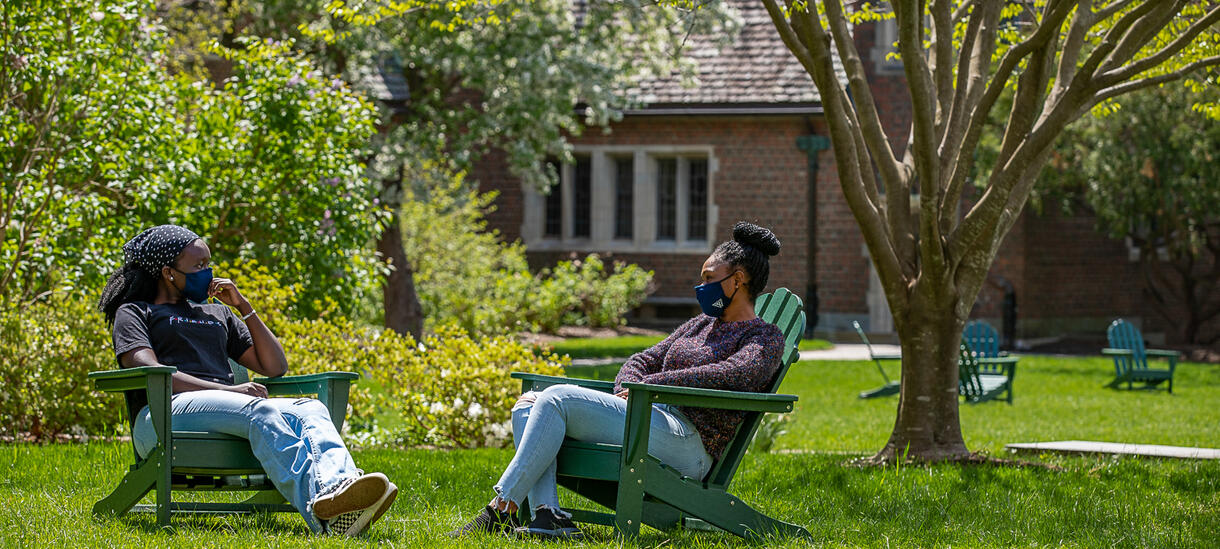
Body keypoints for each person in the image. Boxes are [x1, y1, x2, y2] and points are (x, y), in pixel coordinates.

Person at [450, 221, 786, 540]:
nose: (701, 287)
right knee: (529, 403)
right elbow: (642, 360)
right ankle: (548, 514)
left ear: (738, 280)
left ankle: (501, 508)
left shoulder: (764, 337)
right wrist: (630, 387)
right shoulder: (700, 324)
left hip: (690, 443)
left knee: (555, 399)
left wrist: (655, 384)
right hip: (651, 417)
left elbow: (735, 374)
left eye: (709, 278)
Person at [98, 225, 396, 536]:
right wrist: (230, 390)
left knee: (311, 409)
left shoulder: (217, 314)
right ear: (168, 273)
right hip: (163, 416)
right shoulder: (135, 311)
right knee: (261, 410)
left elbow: (274, 365)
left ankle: (338, 497)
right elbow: (147, 367)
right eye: (198, 266)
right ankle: (326, 505)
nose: (208, 272)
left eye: (208, 263)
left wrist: (243, 307)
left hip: (232, 411)